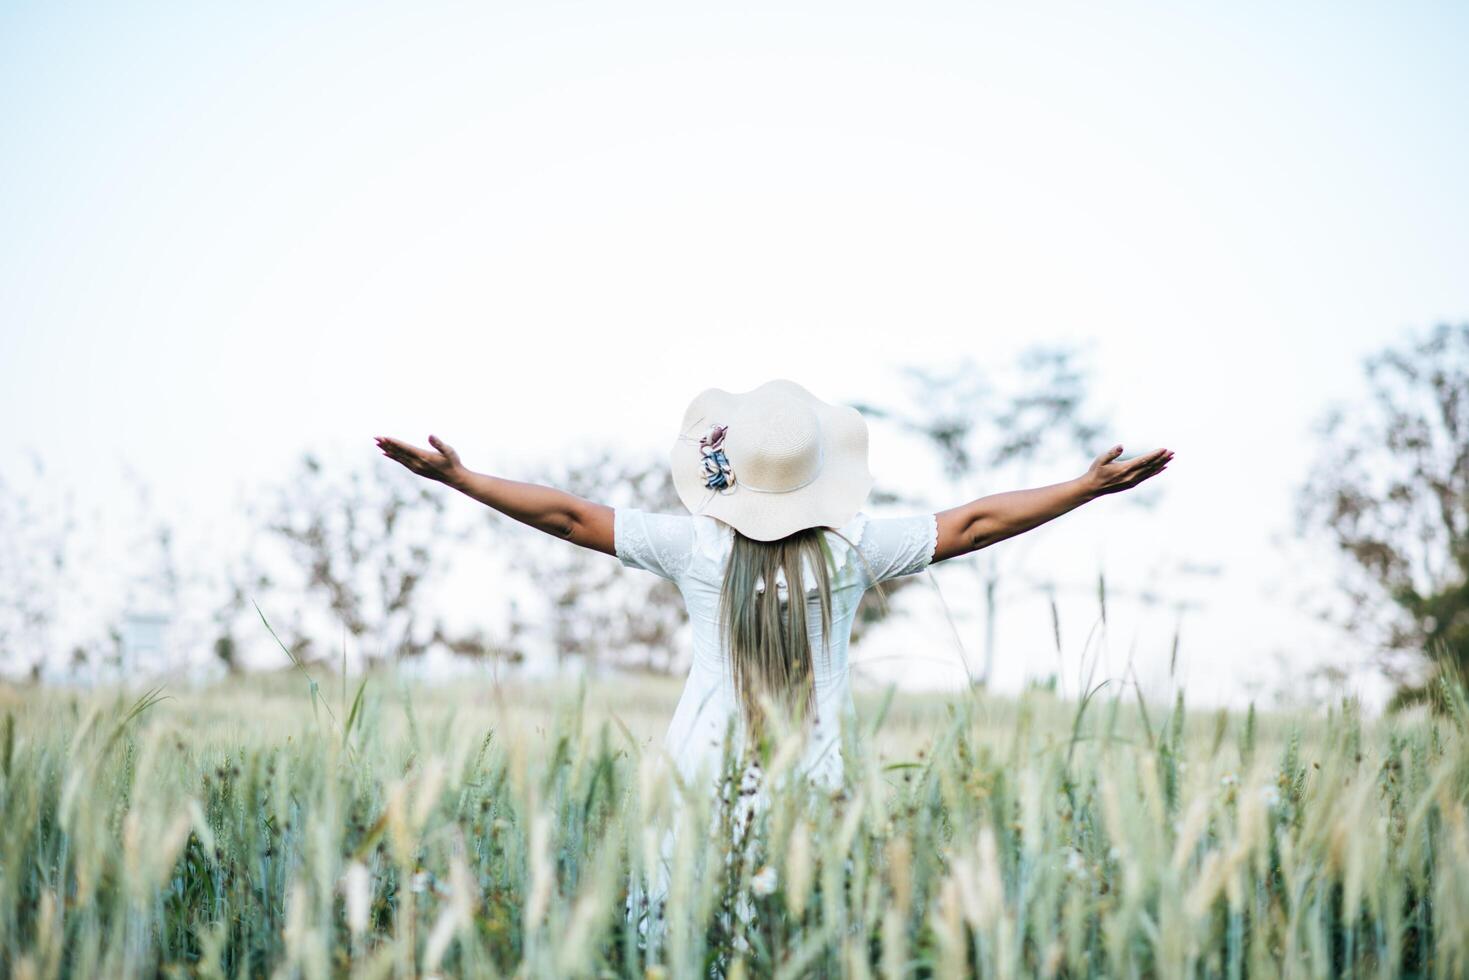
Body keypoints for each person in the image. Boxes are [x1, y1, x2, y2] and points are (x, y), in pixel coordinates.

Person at [374, 378, 1173, 795]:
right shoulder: (851, 550)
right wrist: (1081, 487)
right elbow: (974, 524)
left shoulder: (696, 547)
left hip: (697, 770)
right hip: (818, 773)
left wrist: (464, 480)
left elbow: (571, 518)